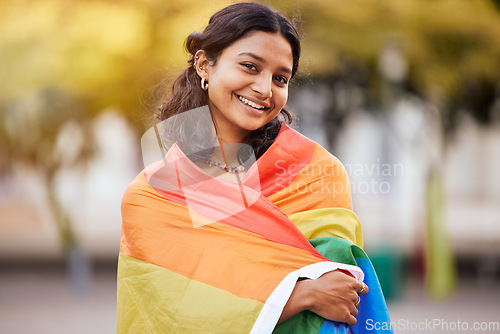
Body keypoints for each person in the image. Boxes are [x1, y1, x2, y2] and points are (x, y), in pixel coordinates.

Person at [117, 2, 392, 333]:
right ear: (204, 64)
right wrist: (297, 296)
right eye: (250, 66)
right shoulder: (151, 197)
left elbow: (339, 295)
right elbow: (167, 314)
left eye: (280, 78)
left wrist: (308, 293)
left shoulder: (316, 173)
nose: (265, 89)